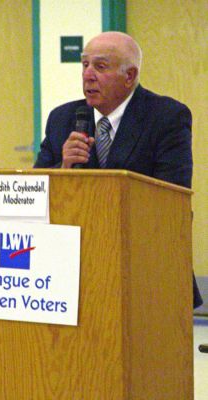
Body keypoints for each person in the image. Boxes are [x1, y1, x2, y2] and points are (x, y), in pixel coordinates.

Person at [34, 31, 202, 308]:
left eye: (100, 67)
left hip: (146, 265)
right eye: (85, 64)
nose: (88, 75)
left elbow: (173, 196)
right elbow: (35, 186)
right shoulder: (62, 118)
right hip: (76, 270)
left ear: (130, 76)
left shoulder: (166, 116)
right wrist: (63, 167)